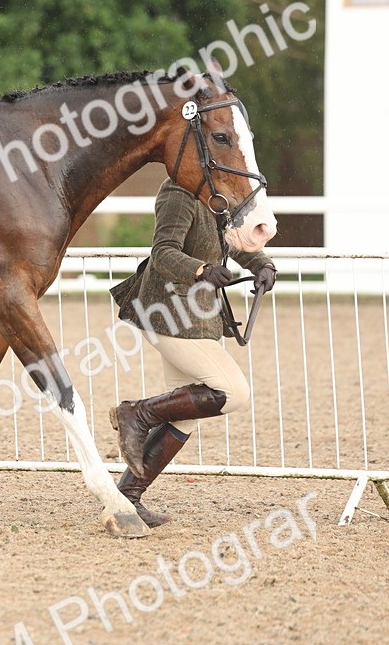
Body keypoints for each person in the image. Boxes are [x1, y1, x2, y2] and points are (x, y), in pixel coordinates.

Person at [108, 178, 276, 527]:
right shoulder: (177, 193)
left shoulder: (219, 196)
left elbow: (232, 240)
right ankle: (135, 413)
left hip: (197, 317)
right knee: (234, 392)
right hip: (168, 312)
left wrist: (261, 263)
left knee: (184, 414)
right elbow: (164, 251)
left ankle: (125, 499)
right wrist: (200, 269)